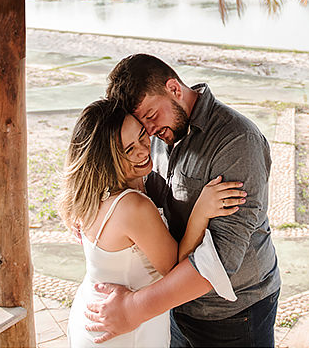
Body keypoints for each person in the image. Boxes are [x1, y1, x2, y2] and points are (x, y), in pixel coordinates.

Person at [85, 54, 281, 347]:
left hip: (233, 314)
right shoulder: (157, 133)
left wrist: (133, 309)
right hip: (173, 307)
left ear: (174, 89)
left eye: (151, 117)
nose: (149, 133)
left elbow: (220, 261)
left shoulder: (237, 142)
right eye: (142, 125)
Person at [61, 98, 246, 348]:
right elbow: (174, 268)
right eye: (128, 150)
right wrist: (200, 212)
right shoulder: (133, 207)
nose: (144, 150)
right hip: (125, 331)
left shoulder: (88, 193)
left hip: (92, 310)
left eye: (141, 135)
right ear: (105, 158)